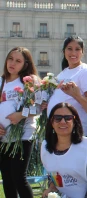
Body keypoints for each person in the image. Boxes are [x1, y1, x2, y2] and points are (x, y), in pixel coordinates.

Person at [41, 102, 87, 198]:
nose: (63, 122)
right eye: (58, 118)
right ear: (51, 122)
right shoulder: (45, 146)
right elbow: (52, 174)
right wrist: (52, 187)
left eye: (68, 118)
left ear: (75, 122)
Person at [0, 47, 39, 198]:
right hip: (4, 138)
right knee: (7, 179)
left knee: (18, 177)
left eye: (18, 61)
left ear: (25, 64)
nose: (12, 63)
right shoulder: (1, 81)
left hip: (23, 135)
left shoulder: (30, 81)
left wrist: (20, 115)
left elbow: (39, 109)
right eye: (10, 59)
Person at [47, 36, 87, 136]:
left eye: (77, 49)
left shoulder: (86, 71)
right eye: (69, 49)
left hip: (74, 129)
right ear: (63, 51)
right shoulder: (62, 73)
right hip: (59, 129)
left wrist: (76, 95)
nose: (73, 53)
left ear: (83, 52)